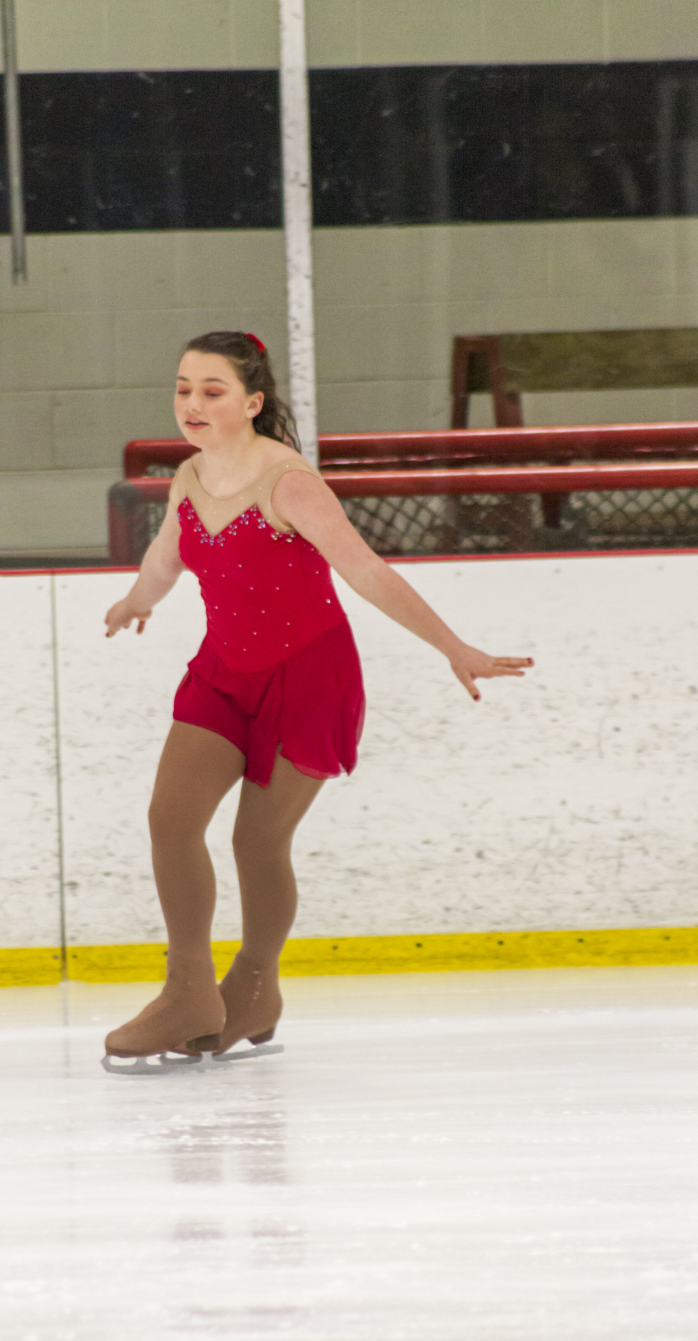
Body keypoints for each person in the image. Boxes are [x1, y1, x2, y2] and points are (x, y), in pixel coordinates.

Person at [103, 330, 533, 1062]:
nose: (193, 403)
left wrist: (452, 646)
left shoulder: (289, 482)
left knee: (255, 841)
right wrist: (137, 600)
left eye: (212, 391)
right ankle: (188, 991)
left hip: (307, 679)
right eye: (183, 388)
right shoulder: (189, 477)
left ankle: (255, 986)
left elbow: (366, 572)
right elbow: (165, 560)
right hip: (221, 674)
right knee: (169, 820)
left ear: (252, 402)